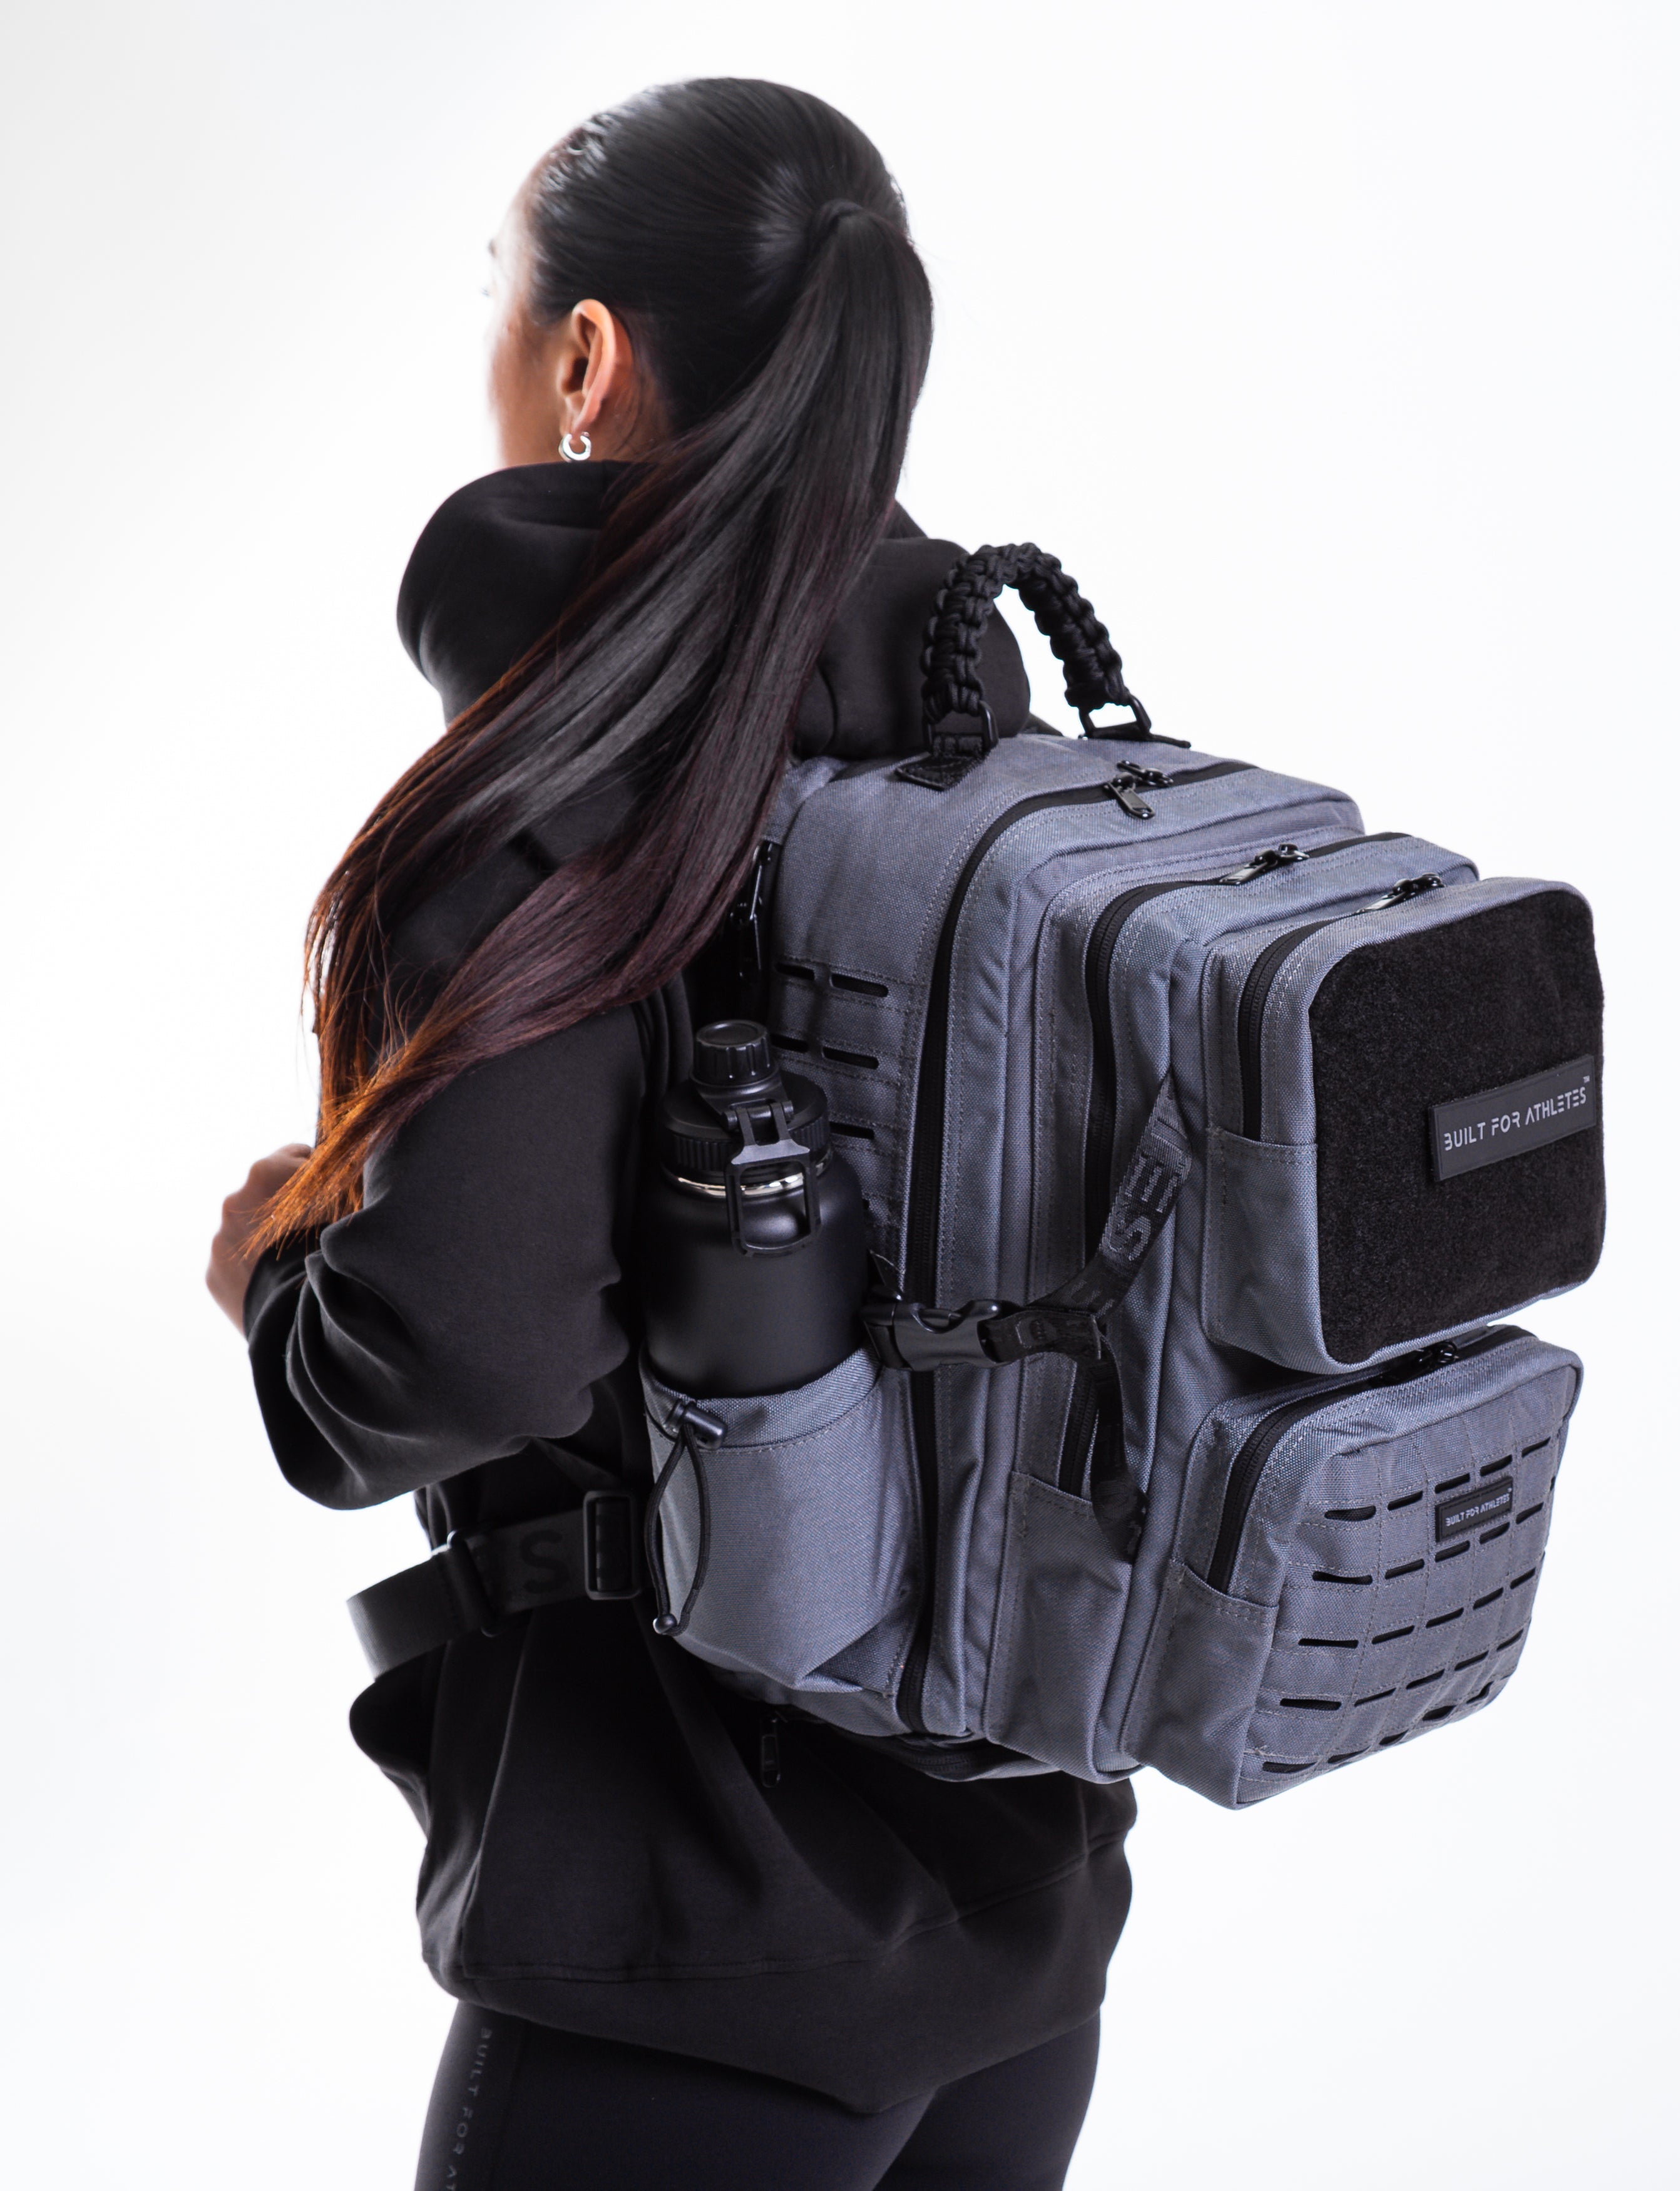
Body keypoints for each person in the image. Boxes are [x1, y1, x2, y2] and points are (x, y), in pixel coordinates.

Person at [206, 79, 1132, 2191]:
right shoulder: (996, 757)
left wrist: (276, 1280)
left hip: (697, 1963)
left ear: (585, 359)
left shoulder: (552, 798)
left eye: (500, 293)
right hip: (1021, 1904)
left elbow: (456, 1358)